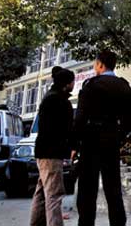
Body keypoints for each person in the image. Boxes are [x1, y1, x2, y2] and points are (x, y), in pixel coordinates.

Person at [73, 51, 131, 226]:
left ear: (100, 64)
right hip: (112, 140)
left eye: (95, 64)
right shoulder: (123, 86)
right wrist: (119, 136)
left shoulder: (90, 85)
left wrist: (74, 144)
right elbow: (130, 119)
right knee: (113, 189)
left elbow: (80, 118)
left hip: (90, 141)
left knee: (87, 190)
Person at [30, 66, 75, 226]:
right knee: (54, 194)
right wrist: (71, 146)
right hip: (52, 153)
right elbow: (66, 129)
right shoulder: (59, 101)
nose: (73, 84)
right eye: (72, 81)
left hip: (44, 151)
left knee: (42, 192)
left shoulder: (50, 98)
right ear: (66, 83)